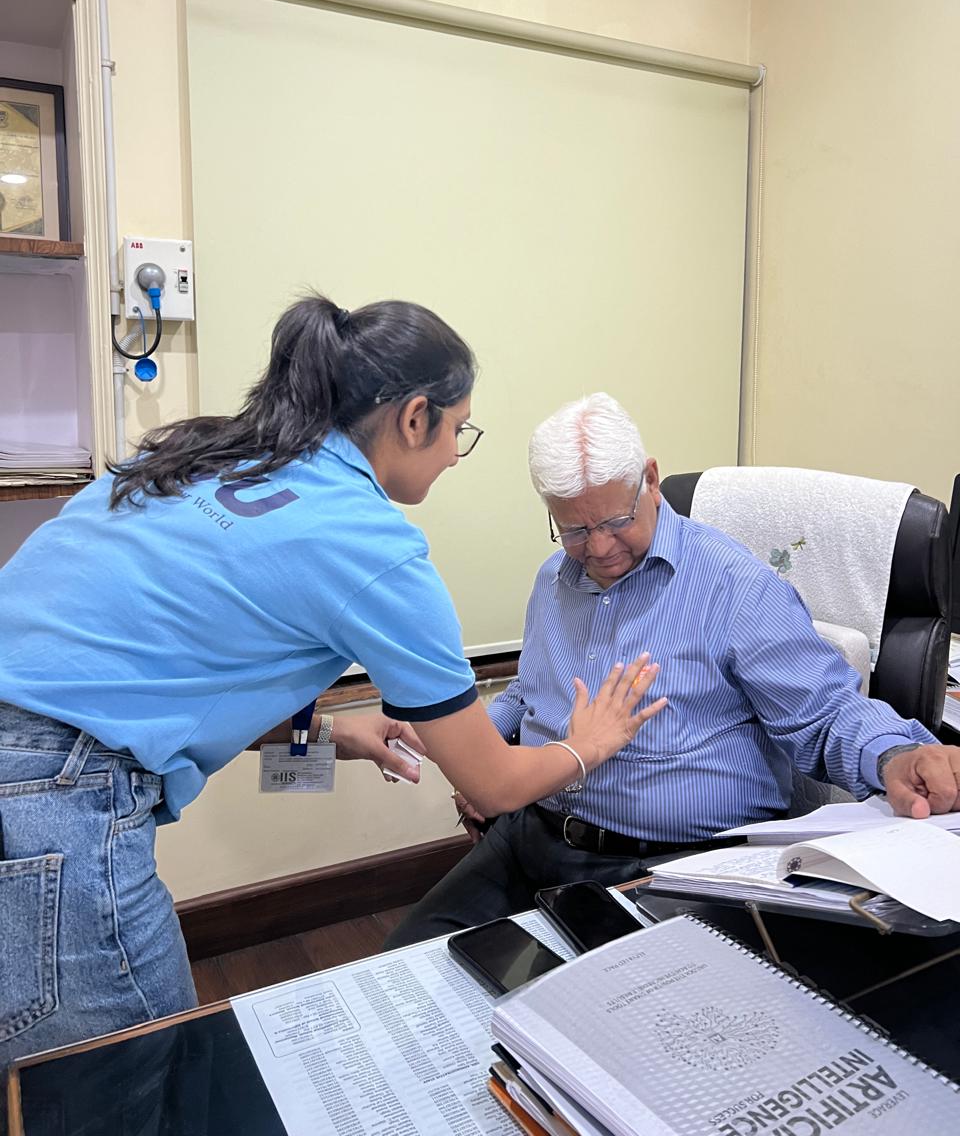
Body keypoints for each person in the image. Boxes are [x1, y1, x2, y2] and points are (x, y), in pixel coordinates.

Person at [0, 306, 666, 1071]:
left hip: (39, 768)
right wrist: (589, 745)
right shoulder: (370, 542)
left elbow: (162, 688)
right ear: (414, 417)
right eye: (458, 430)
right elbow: (493, 783)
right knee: (130, 1072)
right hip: (54, 802)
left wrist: (328, 738)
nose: (457, 454)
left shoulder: (203, 454)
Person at [385, 392, 960, 949]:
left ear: (651, 480)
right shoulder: (553, 579)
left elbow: (827, 712)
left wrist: (895, 756)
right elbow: (530, 691)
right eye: (576, 530)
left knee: (600, 1006)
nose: (599, 547)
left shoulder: (735, 587)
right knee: (400, 973)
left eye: (616, 520)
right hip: (530, 832)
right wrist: (481, 760)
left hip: (669, 864)